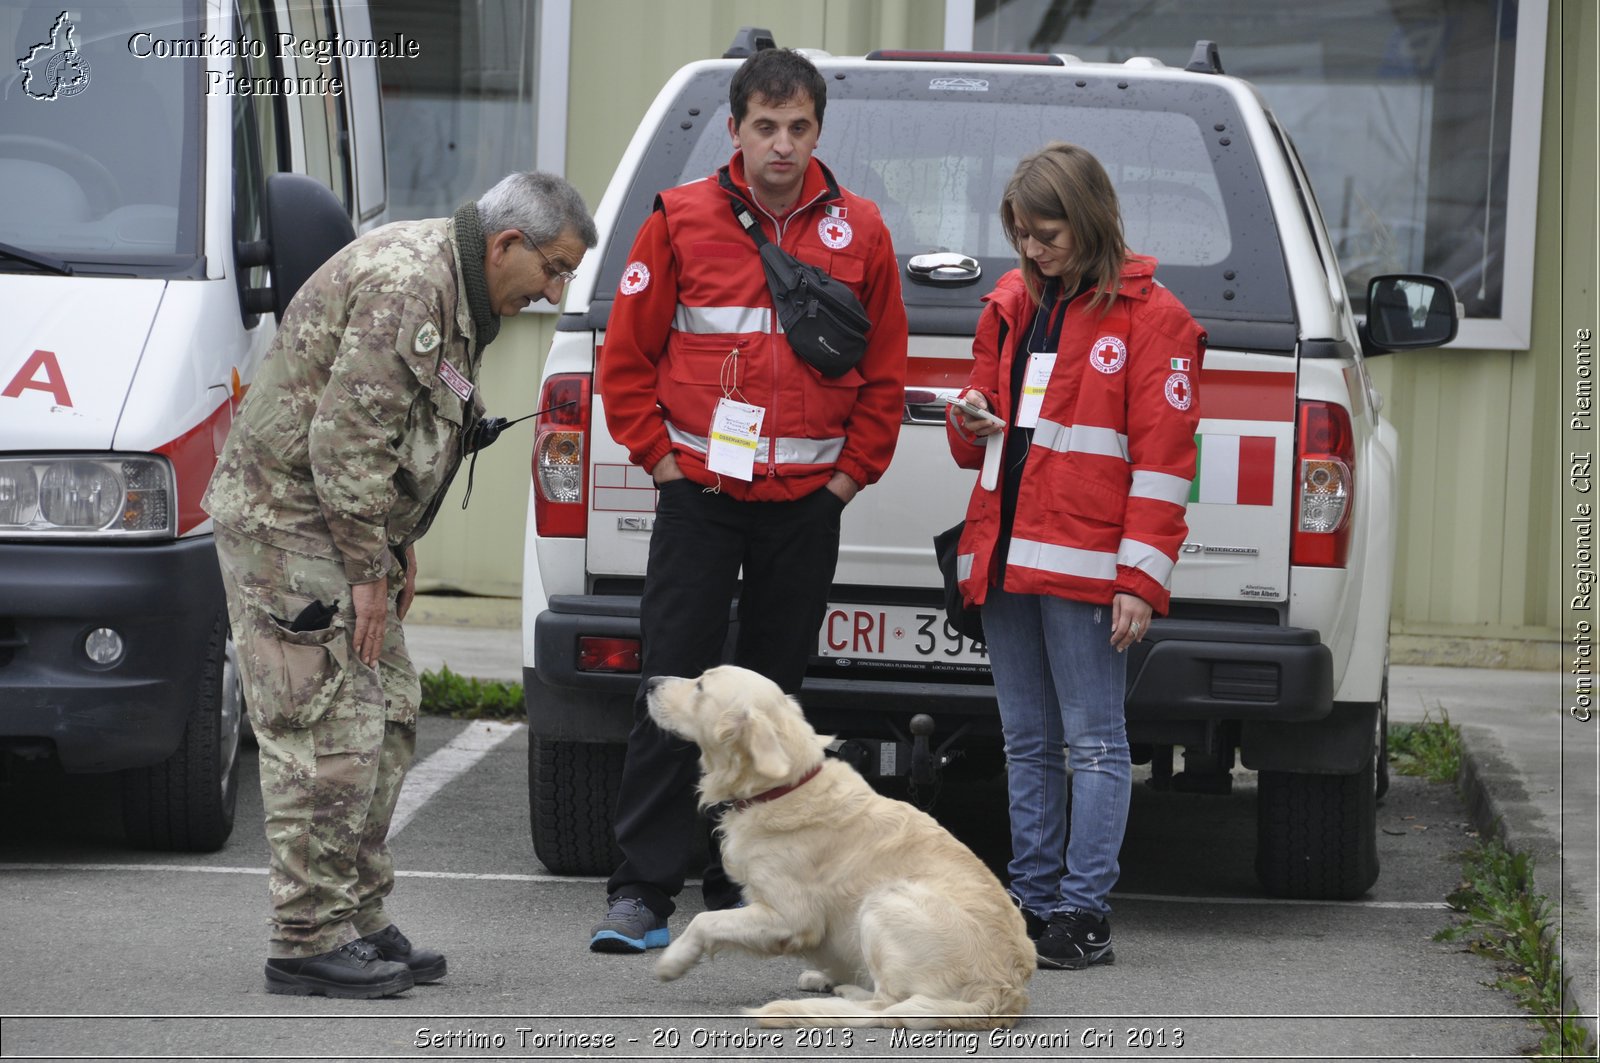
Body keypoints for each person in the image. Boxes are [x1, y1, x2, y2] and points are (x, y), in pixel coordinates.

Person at [202, 171, 596, 998]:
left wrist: (398, 541)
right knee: (327, 727)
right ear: (506, 246)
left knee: (391, 708)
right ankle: (306, 936)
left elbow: (406, 428)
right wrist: (369, 571)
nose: (556, 291)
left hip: (346, 527)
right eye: (553, 270)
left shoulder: (464, 290)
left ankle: (356, 915)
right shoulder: (413, 285)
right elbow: (345, 445)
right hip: (289, 524)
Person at [592, 46, 909, 953]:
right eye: (764, 127)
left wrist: (846, 479)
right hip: (700, 495)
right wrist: (661, 464)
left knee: (774, 703)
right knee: (674, 683)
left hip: (807, 505)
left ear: (818, 131)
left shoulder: (864, 231)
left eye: (798, 127)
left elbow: (886, 374)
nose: (781, 144)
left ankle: (741, 883)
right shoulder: (682, 219)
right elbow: (626, 363)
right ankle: (640, 893)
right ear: (734, 130)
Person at [946, 142, 1204, 970]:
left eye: (1047, 233)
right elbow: (975, 437)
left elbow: (1165, 466)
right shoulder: (1011, 304)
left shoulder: (1154, 319)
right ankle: (1032, 900)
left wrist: (1140, 579)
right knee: (1025, 740)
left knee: (1093, 741)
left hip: (1091, 567)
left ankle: (1084, 912)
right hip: (1010, 554)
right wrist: (970, 413)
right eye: (1020, 233)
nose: (1031, 249)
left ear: (1090, 222)